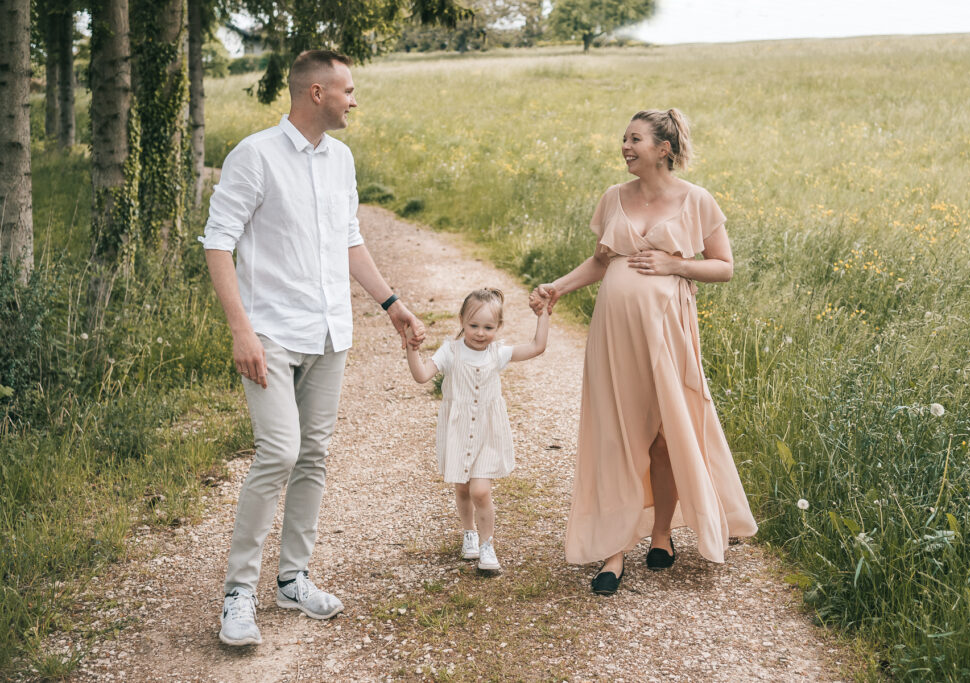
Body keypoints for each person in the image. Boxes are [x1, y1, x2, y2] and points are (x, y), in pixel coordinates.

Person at [202, 49, 426, 646]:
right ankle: (237, 594)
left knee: (314, 456)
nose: (355, 100)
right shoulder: (254, 156)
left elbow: (350, 239)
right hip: (270, 332)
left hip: (330, 333)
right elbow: (218, 243)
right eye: (348, 90)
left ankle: (292, 579)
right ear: (318, 93)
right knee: (278, 451)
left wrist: (391, 303)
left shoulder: (341, 159)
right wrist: (240, 329)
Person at [531, 109, 758, 595]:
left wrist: (676, 265)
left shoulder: (697, 200)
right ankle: (613, 550)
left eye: (635, 139)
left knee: (664, 434)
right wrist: (558, 288)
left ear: (664, 149)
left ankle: (661, 536)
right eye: (624, 139)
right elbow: (600, 261)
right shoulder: (614, 197)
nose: (625, 146)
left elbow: (724, 267)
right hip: (614, 334)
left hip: (669, 332)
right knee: (616, 434)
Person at [405, 288, 549, 572]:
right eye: (473, 326)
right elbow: (422, 376)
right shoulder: (450, 351)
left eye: (488, 327)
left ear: (499, 327)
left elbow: (537, 347)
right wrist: (412, 349)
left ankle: (486, 544)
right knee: (462, 487)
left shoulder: (497, 353)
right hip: (458, 432)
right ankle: (469, 533)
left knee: (480, 490)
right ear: (461, 320)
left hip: (487, 434)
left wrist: (543, 314)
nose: (480, 333)